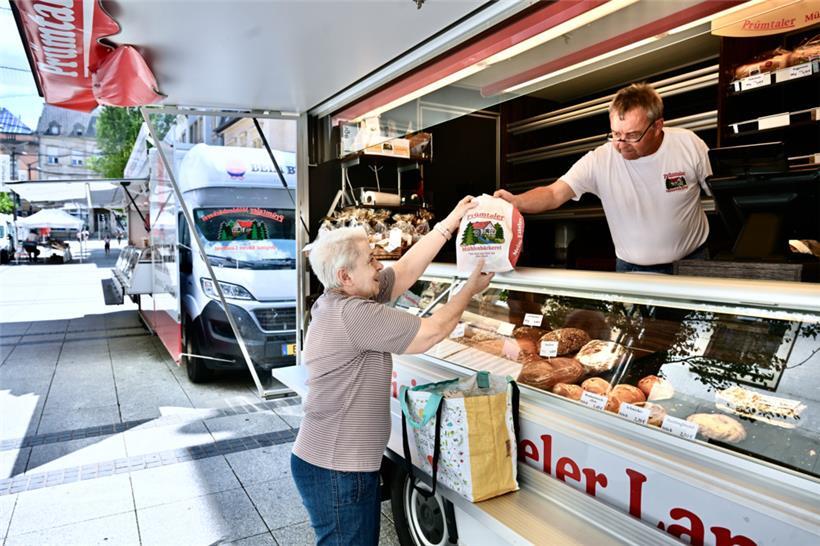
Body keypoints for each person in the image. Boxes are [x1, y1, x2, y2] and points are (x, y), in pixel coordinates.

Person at [291, 196, 494, 545]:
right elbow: (430, 332)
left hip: (335, 466)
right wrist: (468, 290)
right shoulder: (353, 314)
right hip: (337, 470)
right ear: (344, 275)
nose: (378, 265)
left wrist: (450, 222)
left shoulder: (342, 299)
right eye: (370, 260)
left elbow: (403, 271)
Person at [495, 83, 711, 274]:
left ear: (657, 126)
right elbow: (553, 194)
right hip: (630, 269)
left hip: (691, 262)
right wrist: (516, 202)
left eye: (633, 135)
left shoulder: (689, 144)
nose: (621, 143)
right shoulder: (599, 159)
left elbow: (720, 192)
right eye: (615, 134)